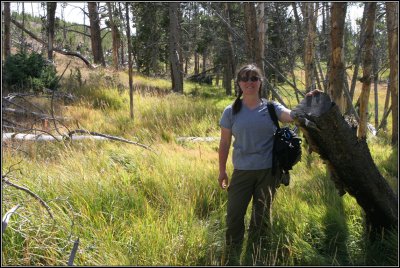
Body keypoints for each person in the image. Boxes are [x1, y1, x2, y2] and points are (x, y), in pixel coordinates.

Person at [218, 63, 320, 265]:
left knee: (262, 217)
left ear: (260, 82)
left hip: (268, 172)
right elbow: (224, 143)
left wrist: (309, 102)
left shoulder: (271, 108)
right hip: (242, 172)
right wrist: (222, 171)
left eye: (254, 78)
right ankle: (232, 255)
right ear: (239, 83)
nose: (249, 82)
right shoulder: (230, 111)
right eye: (245, 78)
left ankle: (258, 255)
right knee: (234, 217)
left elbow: (291, 116)